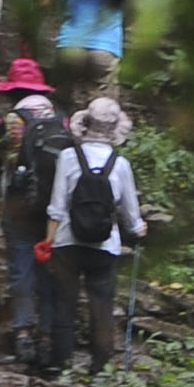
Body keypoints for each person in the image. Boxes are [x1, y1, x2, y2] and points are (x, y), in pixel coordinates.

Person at [48, 94, 142, 372]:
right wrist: (139, 229)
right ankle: (100, 367)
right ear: (114, 130)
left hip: (67, 242)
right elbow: (131, 215)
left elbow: (56, 206)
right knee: (101, 306)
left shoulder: (67, 157)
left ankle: (60, 364)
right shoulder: (120, 164)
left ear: (85, 124)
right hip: (105, 245)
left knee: (64, 302)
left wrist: (49, 241)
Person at [0, 57, 64, 369]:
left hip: (18, 206)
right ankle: (47, 336)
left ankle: (23, 333)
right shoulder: (61, 118)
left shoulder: (12, 120)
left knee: (21, 267)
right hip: (52, 209)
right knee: (48, 269)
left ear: (12, 91)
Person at [46, 0, 131, 111]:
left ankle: (59, 130)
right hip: (106, 46)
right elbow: (133, 2)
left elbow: (45, 1)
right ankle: (97, 134)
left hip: (71, 44)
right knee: (103, 106)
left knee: (60, 98)